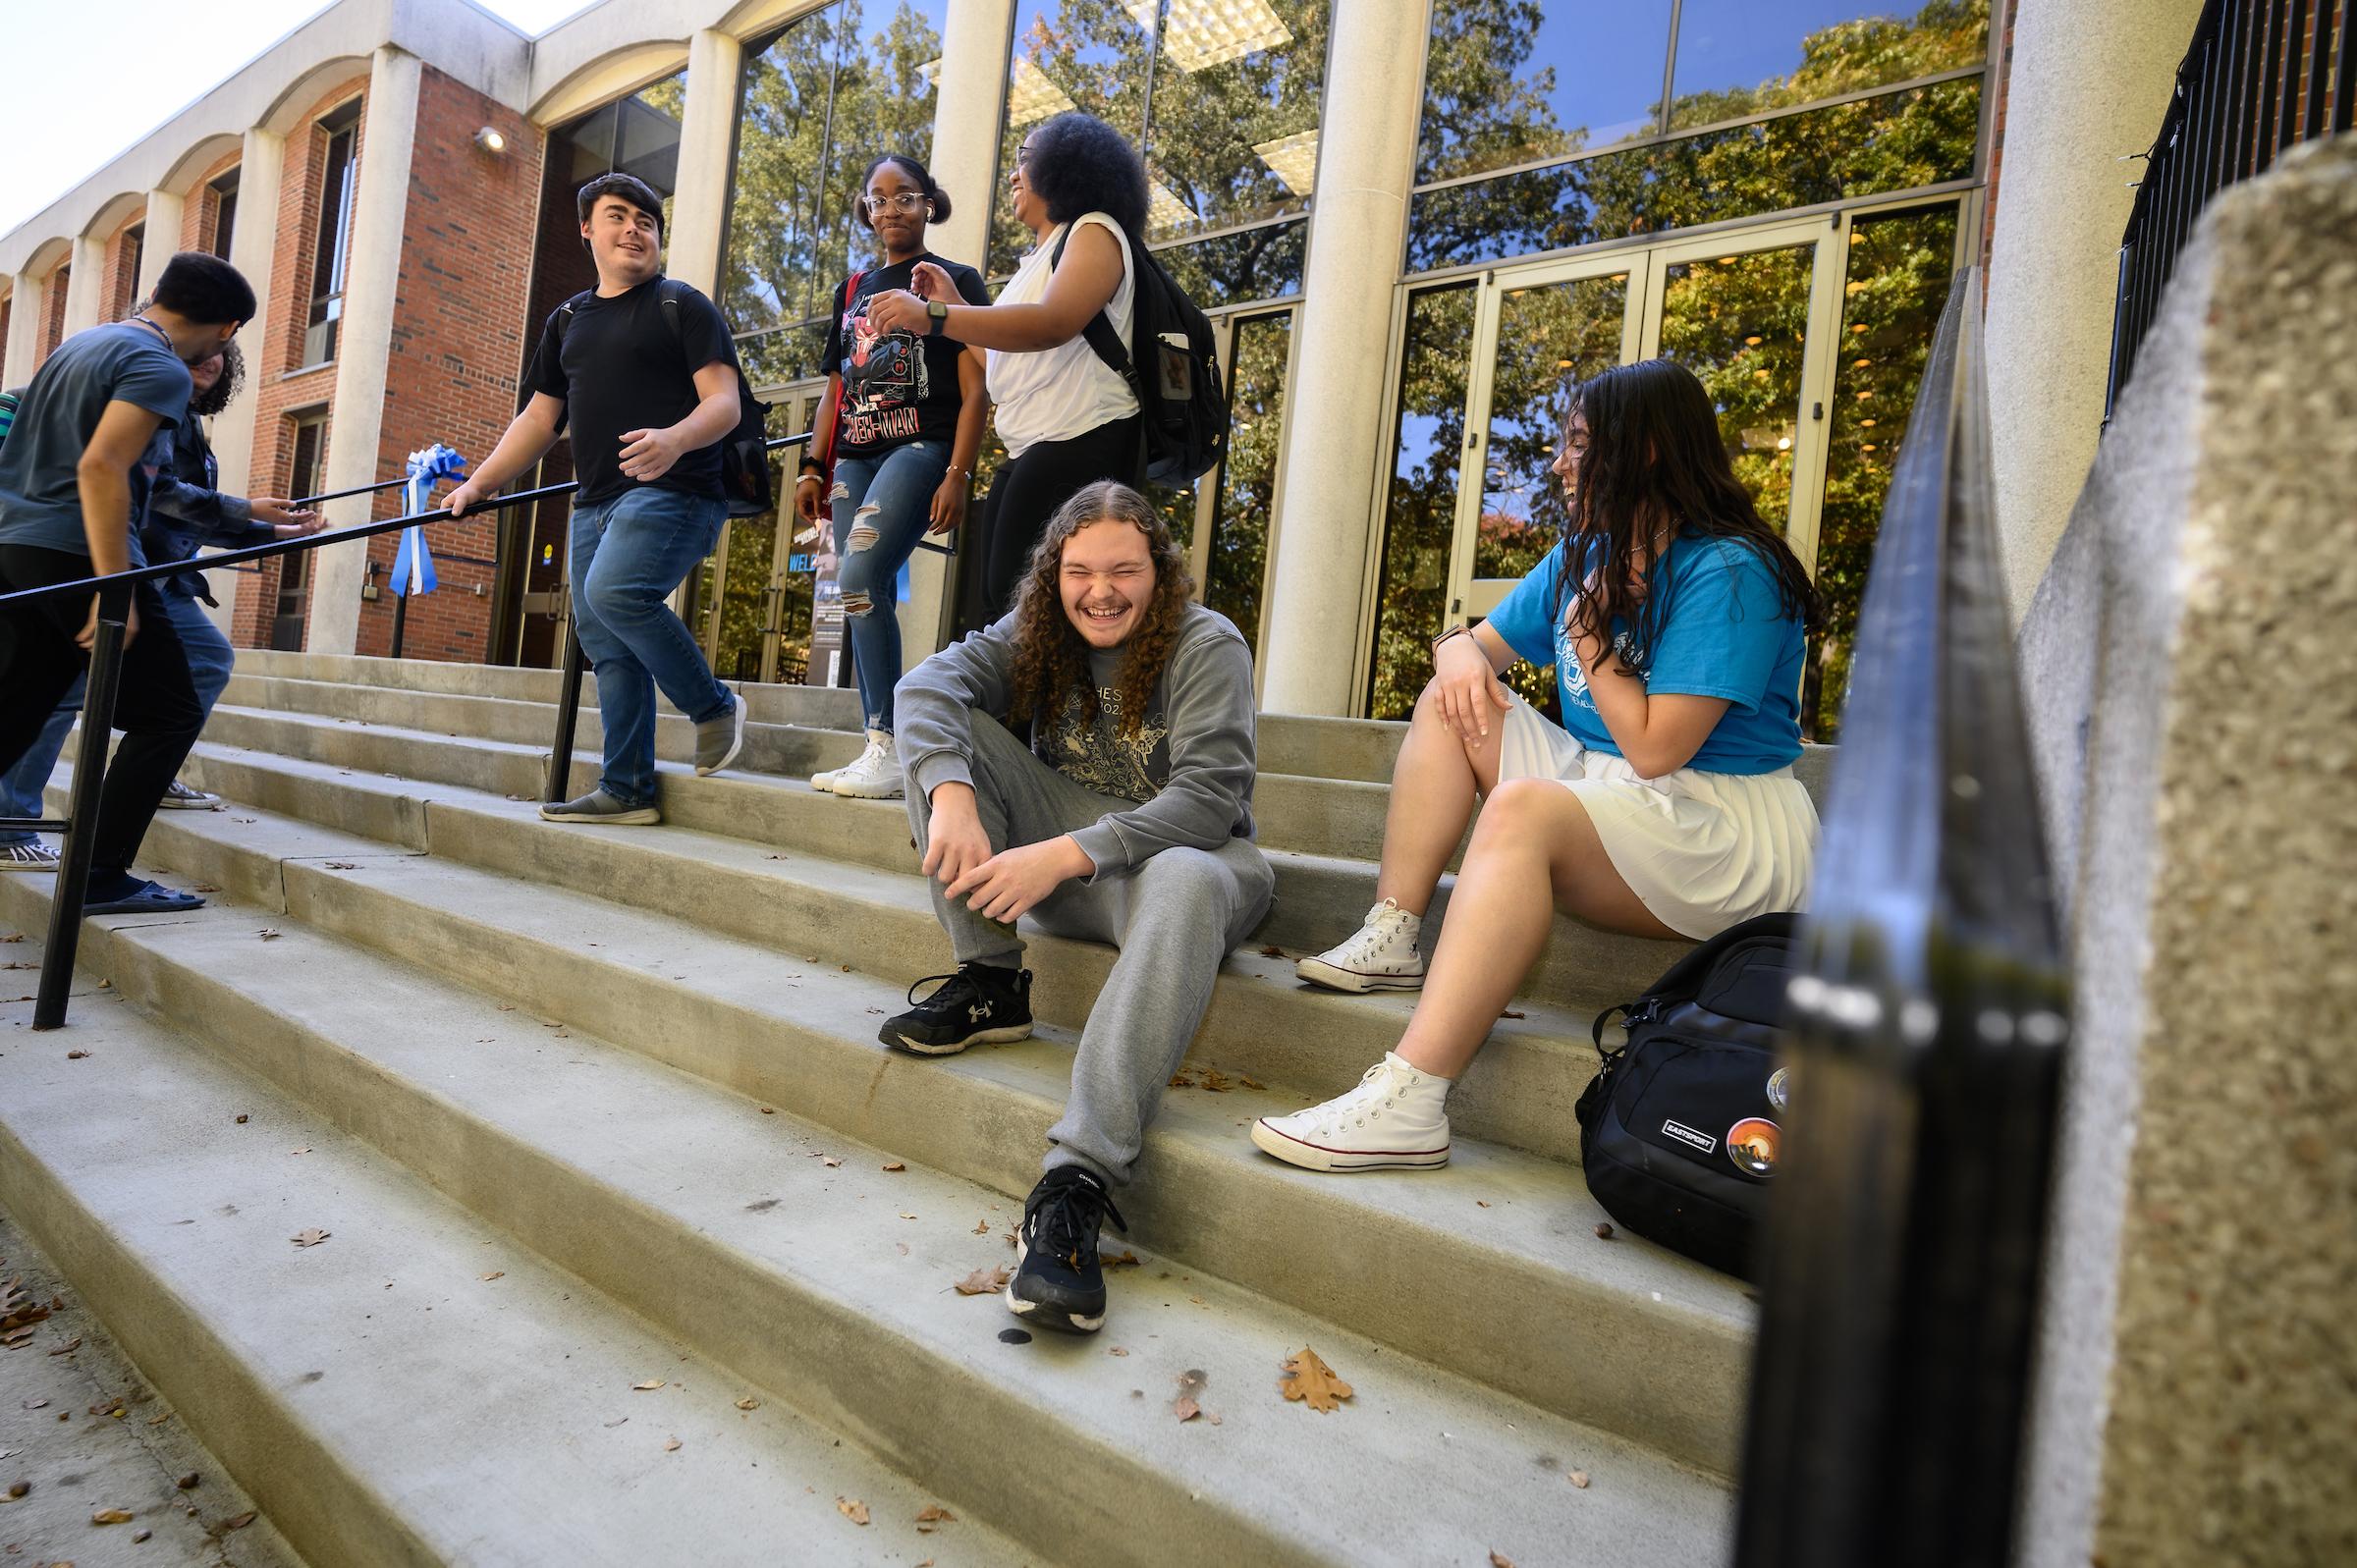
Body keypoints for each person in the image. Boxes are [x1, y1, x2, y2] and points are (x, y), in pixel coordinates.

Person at [1253, 358, 1823, 1173]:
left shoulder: (1730, 569)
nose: (1560, 463)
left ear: (1647, 451)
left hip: (1722, 828)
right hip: (1612, 785)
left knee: (1520, 807)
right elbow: (1471, 648)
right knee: (1453, 706)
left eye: (1579, 444)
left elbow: (1658, 747)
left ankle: (1412, 1098)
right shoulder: (1587, 550)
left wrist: (1593, 645)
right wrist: (1454, 652)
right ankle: (1395, 932)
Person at [883, 480, 1270, 1333]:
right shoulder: (1037, 634)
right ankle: (992, 981)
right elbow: (923, 690)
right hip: (1065, 867)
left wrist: (1062, 854)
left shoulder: (1208, 644)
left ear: (1159, 571)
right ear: (1054, 576)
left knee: (1186, 877)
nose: (1101, 590)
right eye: (1080, 571)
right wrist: (949, 792)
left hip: (1183, 866)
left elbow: (1209, 797)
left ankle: (1077, 1179)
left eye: (1124, 570)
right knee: (949, 737)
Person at [443, 172, 748, 825]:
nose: (635, 229)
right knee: (603, 638)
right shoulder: (568, 320)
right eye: (618, 216)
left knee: (615, 594)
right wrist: (478, 484)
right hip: (595, 502)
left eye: (647, 220)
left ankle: (714, 705)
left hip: (677, 490)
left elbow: (725, 403)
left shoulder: (681, 305)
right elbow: (538, 421)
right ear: (588, 229)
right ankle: (628, 786)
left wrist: (674, 439)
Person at [0, 251, 253, 914]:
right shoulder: (160, 366)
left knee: (19, 705)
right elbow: (104, 468)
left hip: (19, 547)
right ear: (227, 326)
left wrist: (247, 513)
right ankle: (100, 874)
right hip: (79, 553)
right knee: (172, 710)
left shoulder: (84, 343)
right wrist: (117, 586)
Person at [0, 341, 319, 867]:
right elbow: (154, 491)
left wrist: (267, 532)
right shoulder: (128, 398)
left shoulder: (183, 418)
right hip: (102, 563)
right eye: (196, 360)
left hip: (160, 573)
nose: (205, 370)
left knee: (208, 663)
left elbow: (174, 512)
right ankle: (12, 821)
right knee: (64, 687)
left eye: (216, 365)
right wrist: (249, 515)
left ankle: (152, 770)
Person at [866, 111, 1145, 622]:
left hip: (1083, 434)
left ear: (1067, 165)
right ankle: (1030, 703)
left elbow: (1051, 324)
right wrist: (952, 305)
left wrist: (935, 314)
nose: (1015, 174)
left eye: (1026, 159)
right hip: (1033, 443)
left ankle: (1055, 703)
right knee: (1004, 598)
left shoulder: (1094, 231)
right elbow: (998, 367)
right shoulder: (1037, 261)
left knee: (1028, 605)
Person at [795, 153, 991, 801]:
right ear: (865, 209)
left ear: (928, 203)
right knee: (856, 590)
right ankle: (879, 742)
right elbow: (833, 392)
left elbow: (976, 386)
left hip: (920, 447)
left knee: (858, 575)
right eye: (877, 200)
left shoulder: (951, 279)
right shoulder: (851, 292)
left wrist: (959, 472)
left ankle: (889, 740)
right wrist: (810, 464)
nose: (890, 210)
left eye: (904, 196)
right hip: (854, 456)